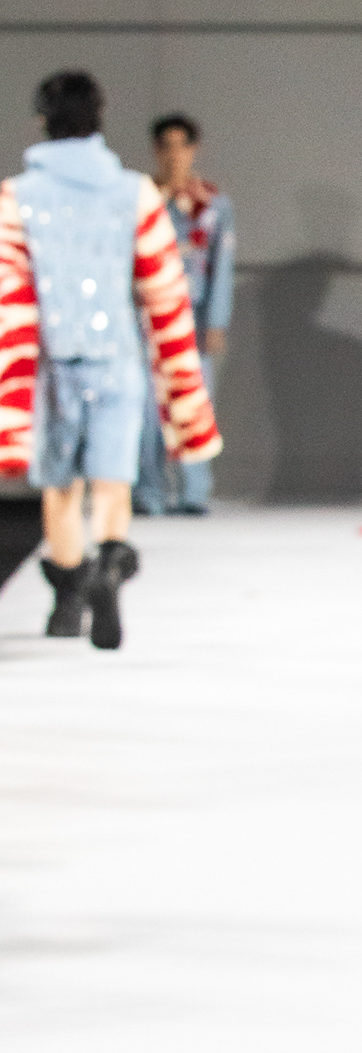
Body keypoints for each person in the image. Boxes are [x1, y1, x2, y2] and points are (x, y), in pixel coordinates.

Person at [0, 70, 219, 647]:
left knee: (61, 485)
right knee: (113, 479)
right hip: (118, 356)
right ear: (99, 119)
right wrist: (182, 390)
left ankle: (69, 596)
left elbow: (8, 297)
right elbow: (164, 291)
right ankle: (113, 560)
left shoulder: (16, 197)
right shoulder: (134, 192)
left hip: (53, 364)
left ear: (42, 120)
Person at [133, 113, 235, 515]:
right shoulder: (139, 199)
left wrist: (217, 320)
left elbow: (221, 265)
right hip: (146, 314)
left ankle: (195, 491)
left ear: (194, 149)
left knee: (193, 401)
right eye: (166, 147)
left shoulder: (212, 204)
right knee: (145, 407)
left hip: (192, 314)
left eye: (182, 146)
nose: (174, 155)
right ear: (156, 150)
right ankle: (148, 491)